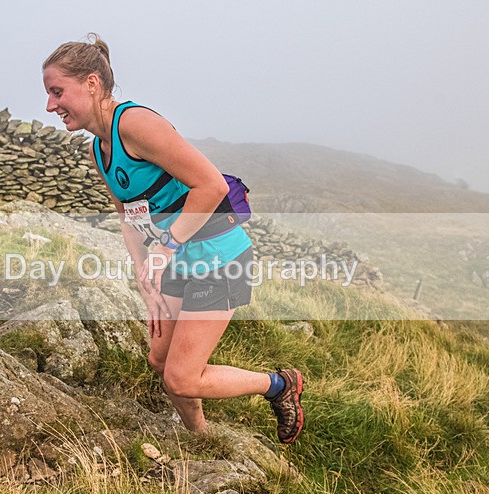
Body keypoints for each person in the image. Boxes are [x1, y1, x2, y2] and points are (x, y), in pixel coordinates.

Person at [42, 34, 304, 444]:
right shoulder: (99, 147)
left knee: (181, 377)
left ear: (91, 84)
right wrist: (147, 282)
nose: (50, 105)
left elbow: (211, 186)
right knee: (160, 362)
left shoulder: (136, 124)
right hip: (177, 261)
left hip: (219, 258)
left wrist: (164, 248)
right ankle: (200, 439)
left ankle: (278, 385)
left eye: (58, 92)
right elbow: (128, 218)